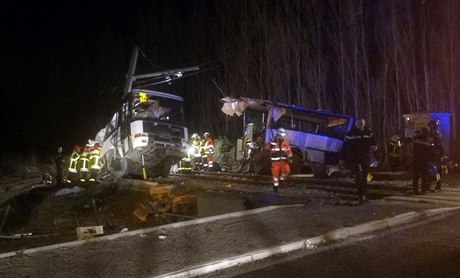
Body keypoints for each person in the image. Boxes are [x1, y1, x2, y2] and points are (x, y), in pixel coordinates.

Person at [339, 118, 378, 205]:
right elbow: (345, 147)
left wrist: (375, 146)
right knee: (358, 176)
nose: (360, 125)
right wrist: (342, 158)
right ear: (356, 124)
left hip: (366, 157)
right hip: (354, 158)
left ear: (364, 124)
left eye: (361, 123)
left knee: (365, 177)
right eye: (358, 123)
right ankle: (360, 196)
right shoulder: (350, 133)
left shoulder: (369, 133)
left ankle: (364, 196)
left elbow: (374, 142)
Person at [267, 127, 293, 193]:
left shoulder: (286, 142)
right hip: (275, 162)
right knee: (275, 176)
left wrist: (290, 158)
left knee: (287, 171)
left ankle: (281, 180)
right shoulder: (273, 142)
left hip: (284, 161)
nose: (282, 137)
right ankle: (276, 187)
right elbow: (268, 148)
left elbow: (288, 151)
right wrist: (273, 142)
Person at [410, 127, 434, 195]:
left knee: (416, 176)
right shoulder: (429, 140)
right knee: (424, 176)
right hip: (424, 161)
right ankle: (423, 190)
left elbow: (414, 151)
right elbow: (431, 152)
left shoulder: (417, 139)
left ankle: (415, 190)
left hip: (417, 160)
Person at [428, 120, 444, 192]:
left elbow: (437, 145)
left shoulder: (436, 135)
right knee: (432, 171)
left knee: (437, 171)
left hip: (435, 155)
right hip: (434, 155)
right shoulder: (436, 134)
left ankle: (438, 185)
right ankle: (430, 185)